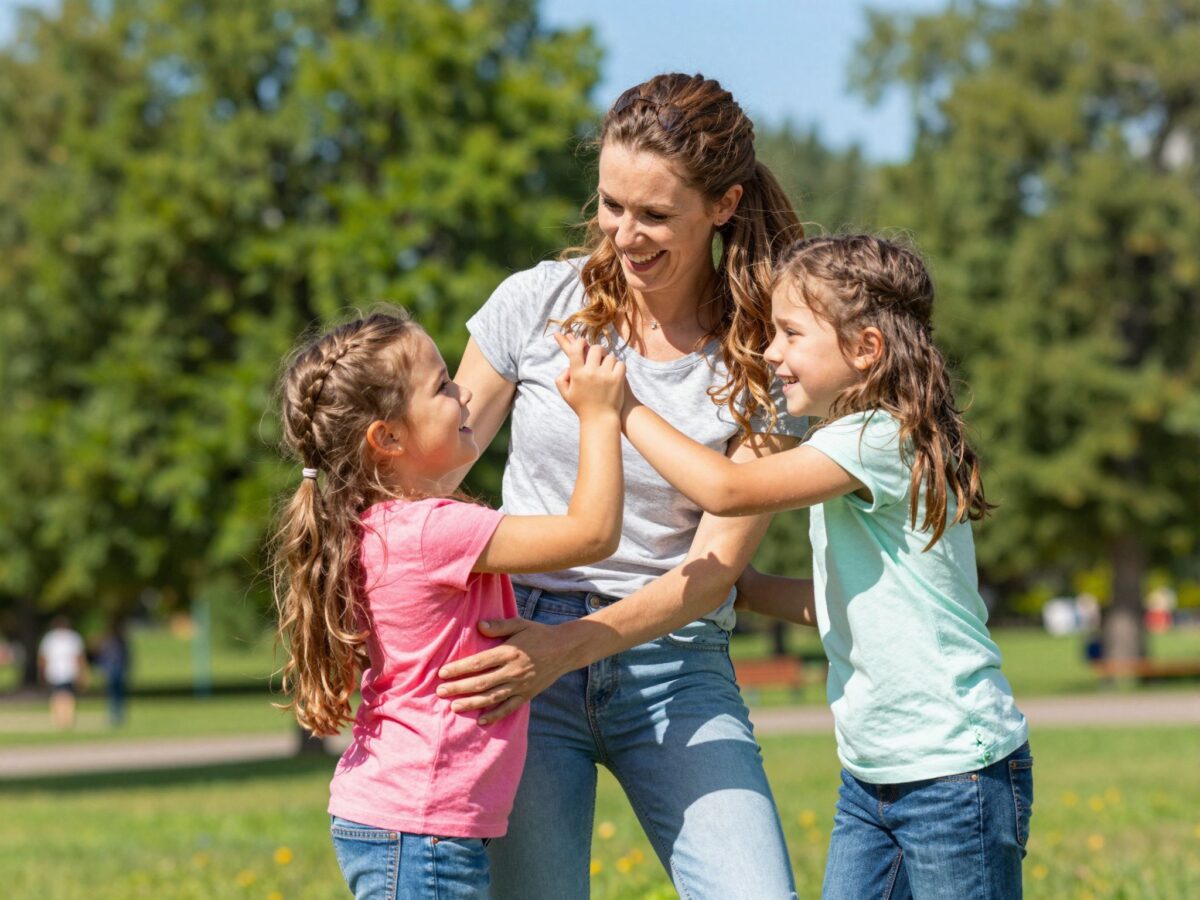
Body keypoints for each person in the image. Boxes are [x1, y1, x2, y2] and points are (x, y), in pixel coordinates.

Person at [438, 73, 806, 898]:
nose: (625, 236)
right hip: (515, 647)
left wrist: (569, 648)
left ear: (722, 204)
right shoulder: (538, 303)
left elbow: (715, 568)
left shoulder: (765, 355)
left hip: (675, 658)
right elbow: (435, 471)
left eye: (654, 215)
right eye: (611, 205)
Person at [614, 234, 1033, 899]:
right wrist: (747, 590)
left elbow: (727, 490)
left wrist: (622, 409)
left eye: (789, 333)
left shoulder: (876, 437)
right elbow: (856, 599)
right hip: (871, 776)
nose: (771, 351)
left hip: (954, 773)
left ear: (865, 349)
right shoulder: (865, 441)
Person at [271, 310, 626, 899]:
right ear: (387, 438)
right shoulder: (434, 530)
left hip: (405, 820)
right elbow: (592, 534)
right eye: (442, 386)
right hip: (420, 827)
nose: (465, 392)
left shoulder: (379, 523)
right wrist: (600, 413)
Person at [38, 615, 88, 729]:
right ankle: (60, 719)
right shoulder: (51, 639)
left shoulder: (72, 638)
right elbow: (43, 658)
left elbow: (79, 657)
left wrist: (82, 672)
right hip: (55, 672)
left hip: (68, 672)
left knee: (66, 696)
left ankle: (66, 719)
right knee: (59, 696)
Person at [96, 616, 131, 726]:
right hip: (110, 669)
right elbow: (101, 656)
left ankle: (118, 715)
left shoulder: (120, 641)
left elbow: (126, 656)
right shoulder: (107, 641)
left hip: (118, 669)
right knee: (112, 694)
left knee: (118, 694)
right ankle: (112, 715)